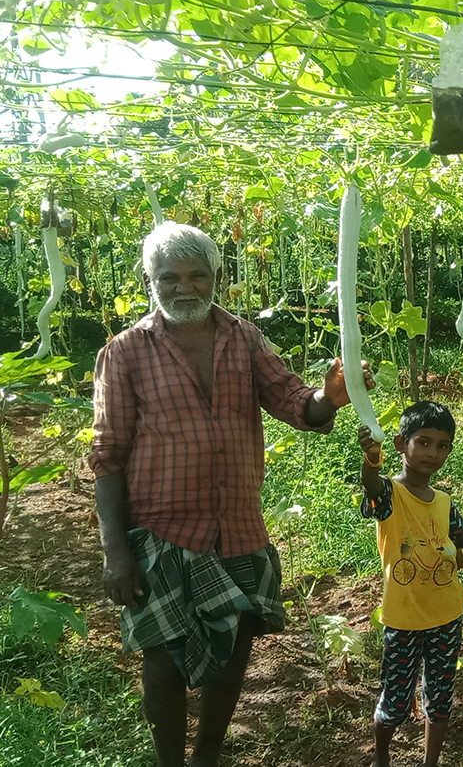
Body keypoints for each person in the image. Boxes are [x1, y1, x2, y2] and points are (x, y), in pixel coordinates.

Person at [89, 222, 369, 767]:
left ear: (216, 276)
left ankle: (207, 758)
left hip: (238, 527)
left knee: (234, 649)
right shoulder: (124, 352)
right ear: (150, 280)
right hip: (161, 531)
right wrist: (115, 551)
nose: (184, 287)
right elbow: (108, 455)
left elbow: (292, 400)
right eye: (169, 277)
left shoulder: (244, 338)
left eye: (197, 275)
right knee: (163, 660)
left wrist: (330, 396)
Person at [358, 402, 463, 767]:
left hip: (447, 615)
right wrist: (371, 459)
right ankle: (381, 755)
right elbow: (371, 485)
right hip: (404, 618)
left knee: (440, 699)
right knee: (395, 699)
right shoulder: (390, 495)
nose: (432, 453)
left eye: (442, 445)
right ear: (400, 444)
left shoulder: (445, 502)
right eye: (423, 442)